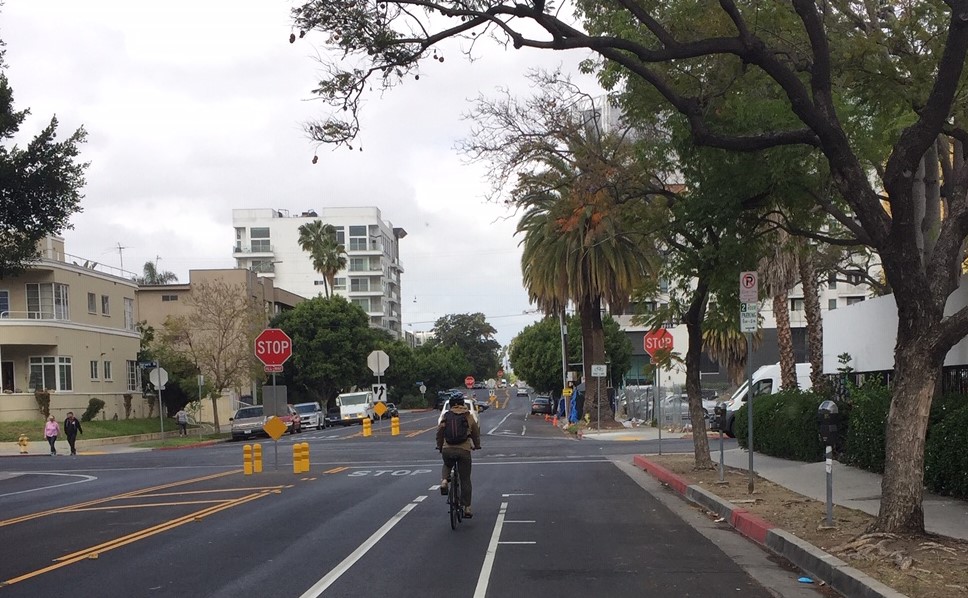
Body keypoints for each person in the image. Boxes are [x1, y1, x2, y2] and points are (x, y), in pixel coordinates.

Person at [436, 396, 481, 518]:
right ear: (463, 404)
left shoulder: (446, 416)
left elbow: (439, 432)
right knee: (465, 478)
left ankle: (444, 480)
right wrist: (477, 445)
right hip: (464, 450)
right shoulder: (468, 416)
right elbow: (476, 433)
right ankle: (467, 507)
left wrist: (440, 446)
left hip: (448, 449)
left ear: (451, 405)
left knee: (447, 463)